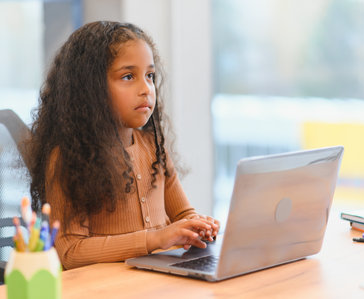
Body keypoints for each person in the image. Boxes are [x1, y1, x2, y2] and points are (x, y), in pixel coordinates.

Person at [24, 21, 220, 270]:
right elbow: (70, 252)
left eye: (149, 76)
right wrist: (155, 238)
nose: (146, 89)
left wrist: (197, 227)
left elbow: (183, 214)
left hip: (154, 282)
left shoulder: (154, 146)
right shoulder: (68, 158)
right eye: (128, 76)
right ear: (90, 89)